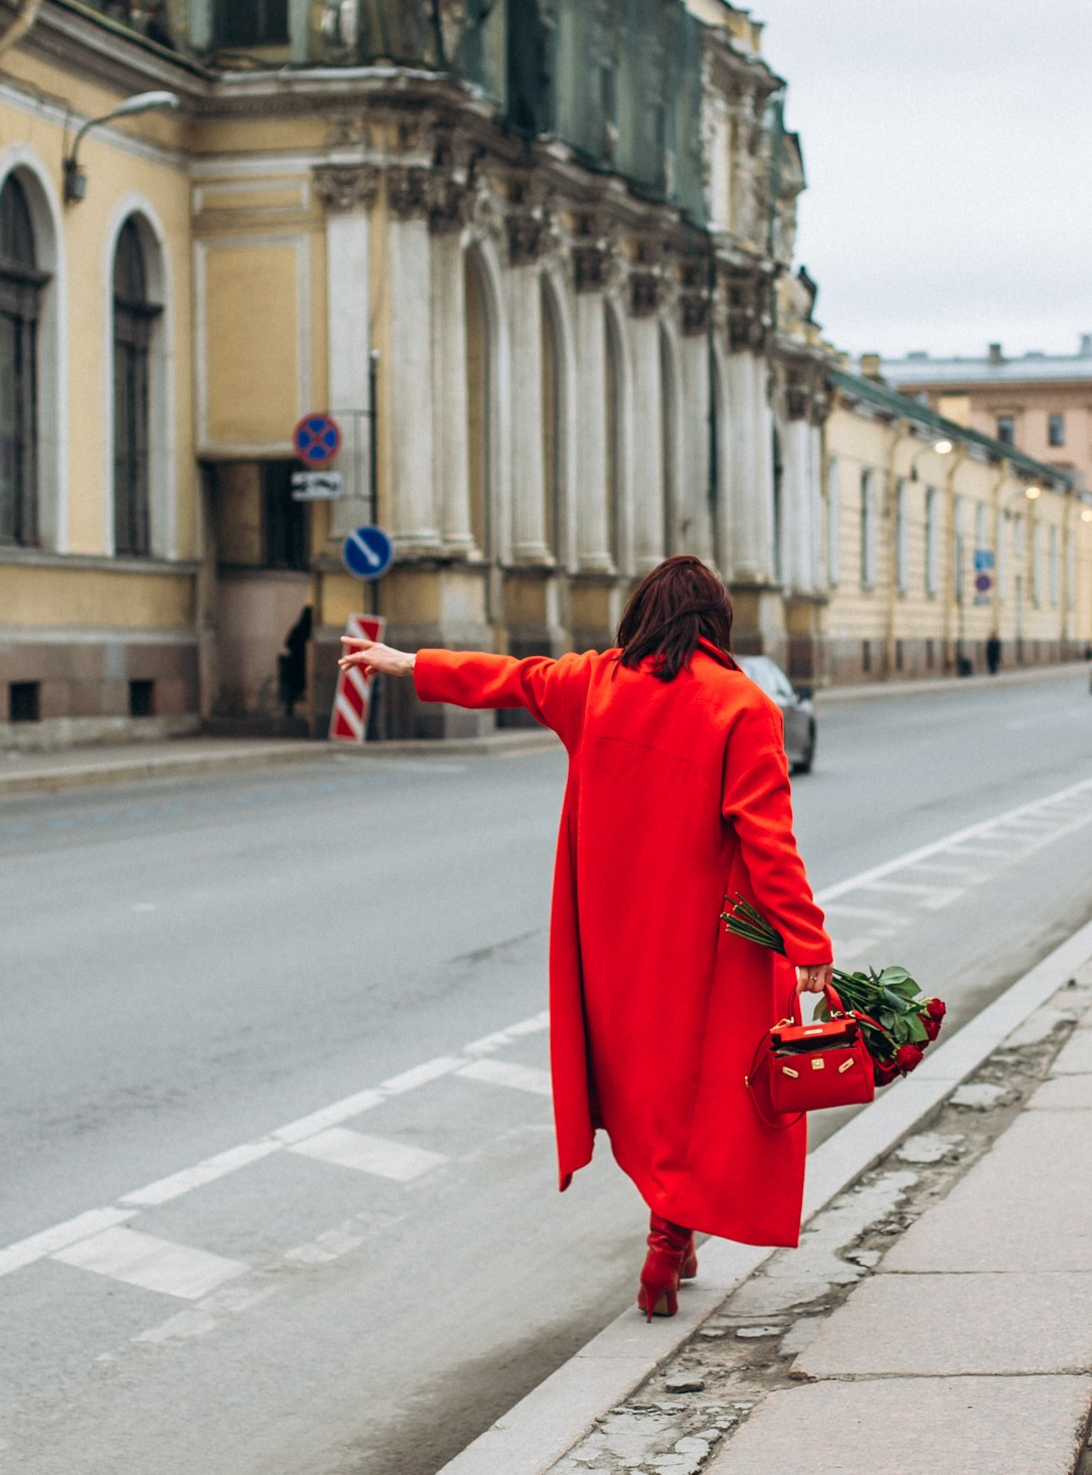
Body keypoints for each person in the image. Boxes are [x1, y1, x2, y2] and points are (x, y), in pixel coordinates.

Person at [338, 557, 832, 1319]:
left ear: (642, 617)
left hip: (609, 944)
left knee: (645, 1091)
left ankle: (677, 1237)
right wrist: (810, 946)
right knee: (700, 1095)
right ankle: (666, 1249)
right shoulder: (742, 708)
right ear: (717, 624)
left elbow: (511, 677)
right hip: (705, 945)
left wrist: (407, 661)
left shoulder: (595, 685)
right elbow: (770, 842)